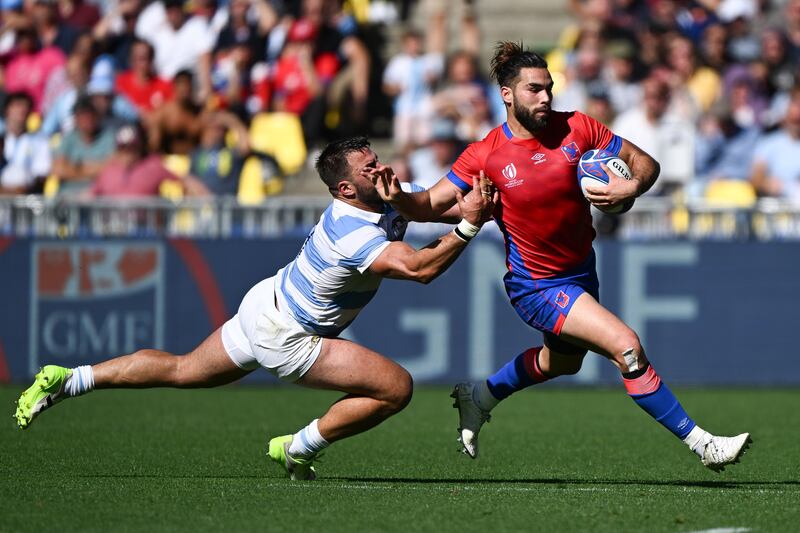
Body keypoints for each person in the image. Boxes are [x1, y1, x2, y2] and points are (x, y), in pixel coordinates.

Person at [14, 137, 498, 481]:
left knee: (184, 369)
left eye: (375, 160)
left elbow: (433, 204)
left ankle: (69, 378)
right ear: (345, 190)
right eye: (369, 169)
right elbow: (420, 270)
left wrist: (479, 204)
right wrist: (471, 227)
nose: (381, 169)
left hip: (266, 301)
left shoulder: (383, 192)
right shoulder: (352, 232)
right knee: (396, 387)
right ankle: (299, 446)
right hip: (288, 334)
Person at [369, 42, 751, 472]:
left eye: (548, 87)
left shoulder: (578, 127)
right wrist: (398, 196)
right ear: (507, 94)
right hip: (537, 286)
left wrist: (631, 187)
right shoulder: (486, 154)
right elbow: (429, 206)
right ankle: (703, 444)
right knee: (627, 348)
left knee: (560, 363)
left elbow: (644, 163)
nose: (546, 97)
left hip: (580, 273)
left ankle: (480, 397)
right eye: (534, 89)